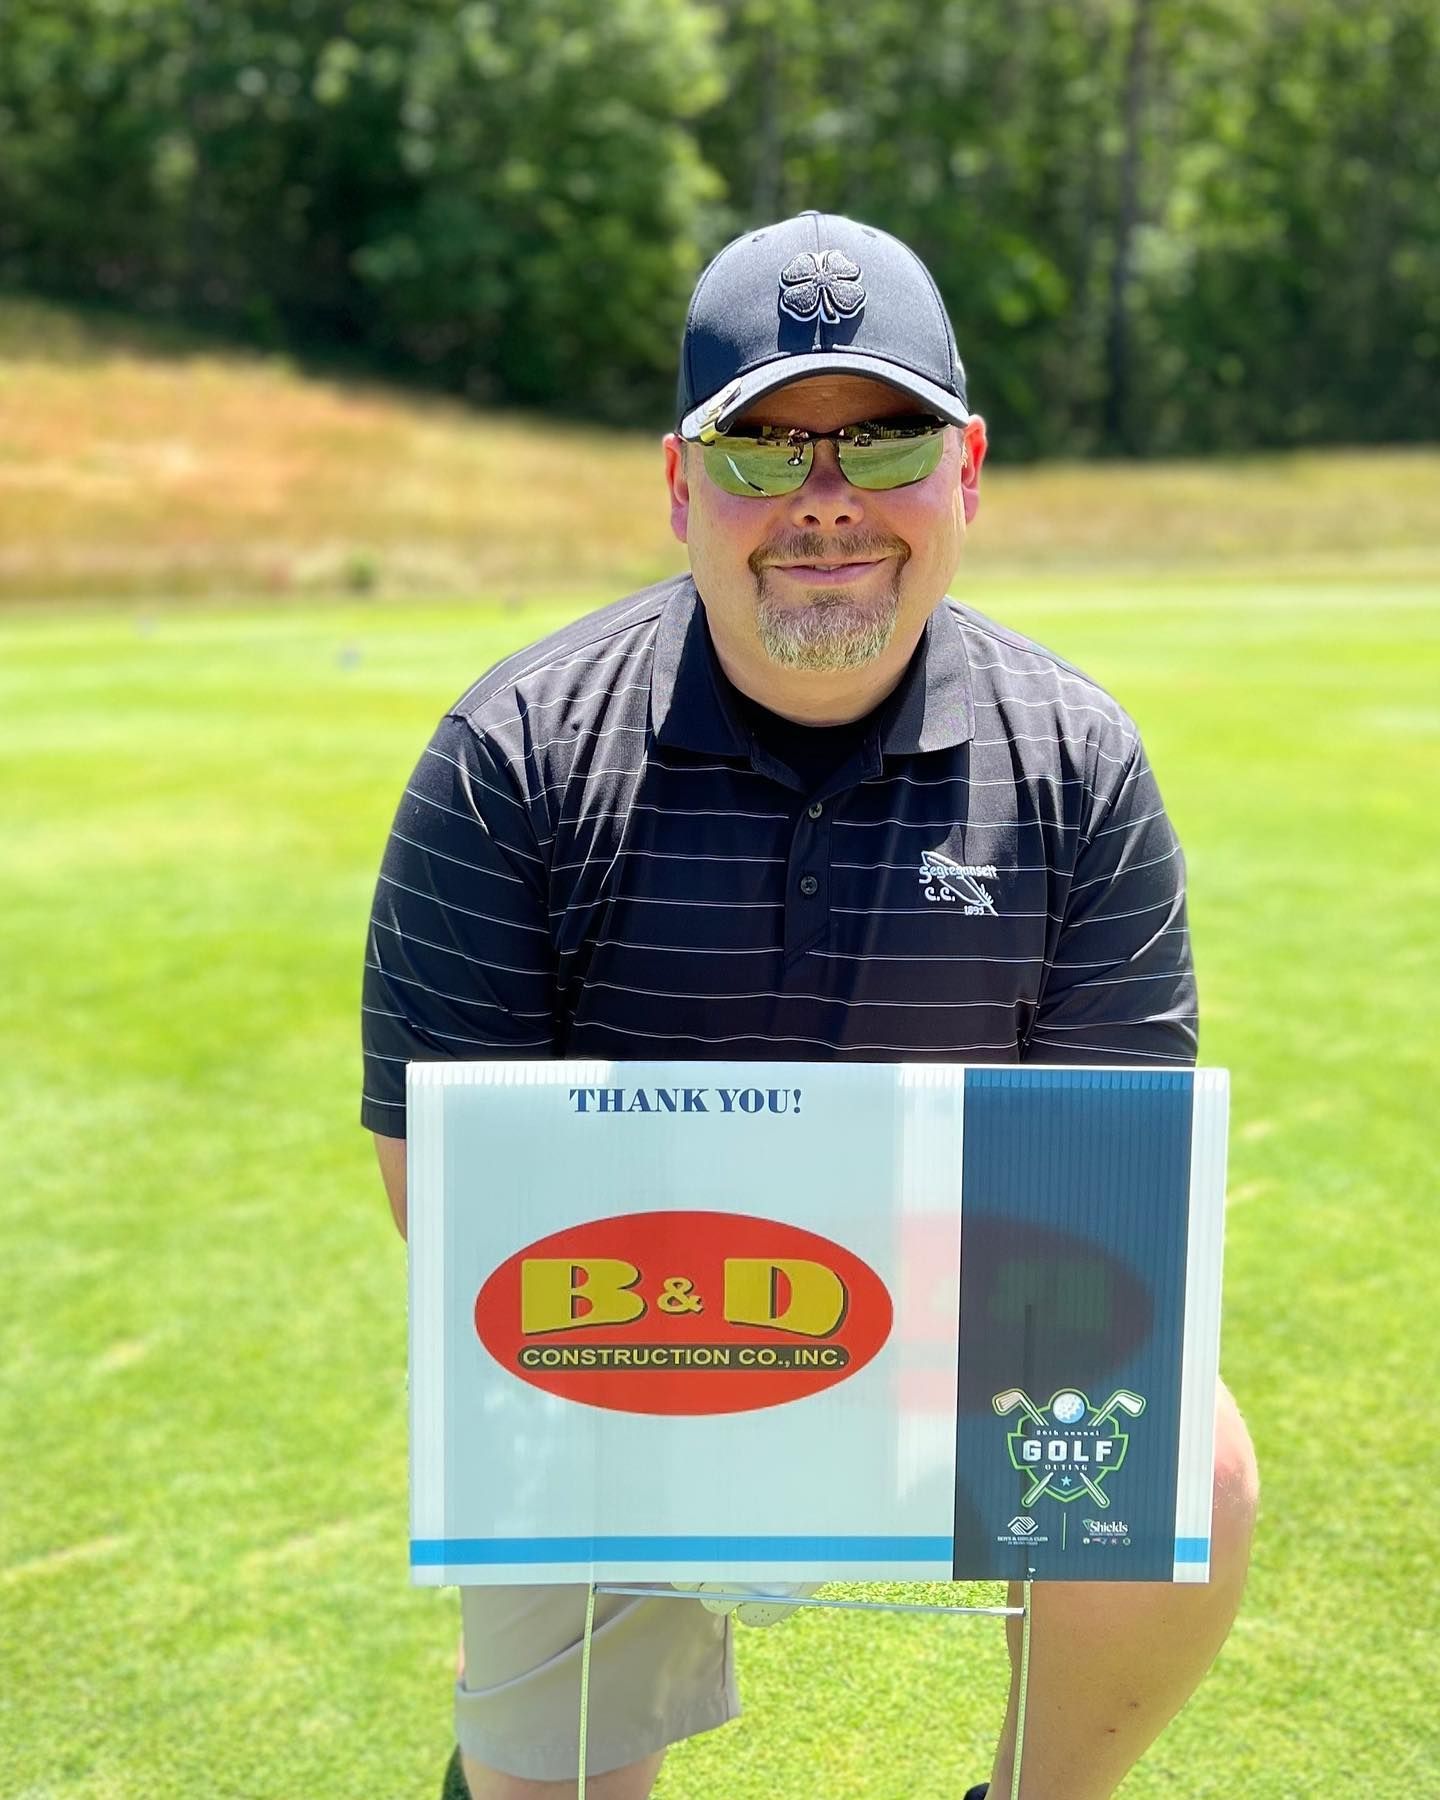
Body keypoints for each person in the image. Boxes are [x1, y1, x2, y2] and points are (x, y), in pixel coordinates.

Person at [362, 210, 1259, 1800]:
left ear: (967, 471)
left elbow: (1107, 1211)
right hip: (617, 1349)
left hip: (955, 1342)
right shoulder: (513, 757)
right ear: (680, 483)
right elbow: (446, 1197)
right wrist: (715, 1375)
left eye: (883, 439)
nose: (825, 497)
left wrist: (865, 1359)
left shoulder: (1079, 762)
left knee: (1190, 1446)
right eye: (764, 448)